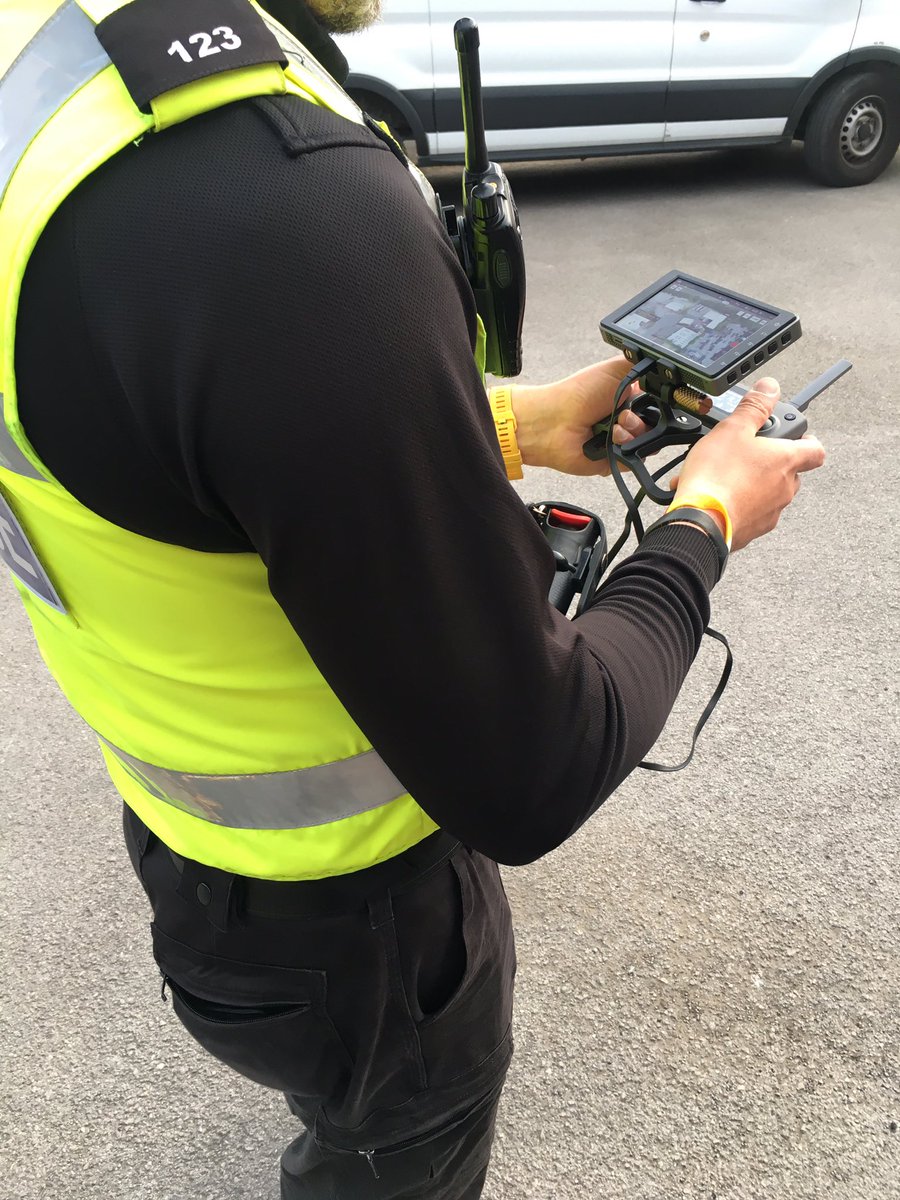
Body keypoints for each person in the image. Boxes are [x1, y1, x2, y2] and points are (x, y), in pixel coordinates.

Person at [1, 1, 825, 1196]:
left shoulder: (61, 95)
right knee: (391, 1152)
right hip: (363, 933)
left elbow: (174, 421)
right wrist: (705, 522)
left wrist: (513, 424)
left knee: (342, 1111)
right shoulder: (282, 204)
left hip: (189, 847)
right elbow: (533, 769)